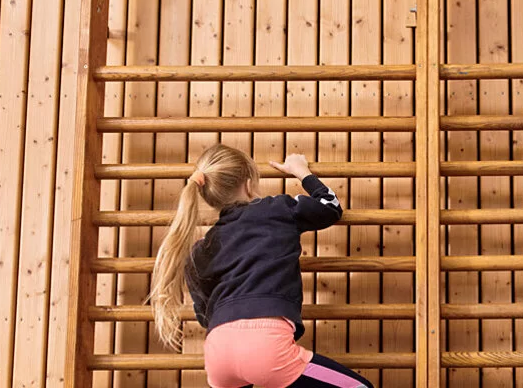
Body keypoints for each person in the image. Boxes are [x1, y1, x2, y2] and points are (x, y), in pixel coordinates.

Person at [149, 145, 372, 388]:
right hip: (266, 348)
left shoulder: (200, 249)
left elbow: (205, 315)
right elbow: (330, 207)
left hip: (217, 353)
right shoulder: (275, 209)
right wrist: (301, 172)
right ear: (248, 184)